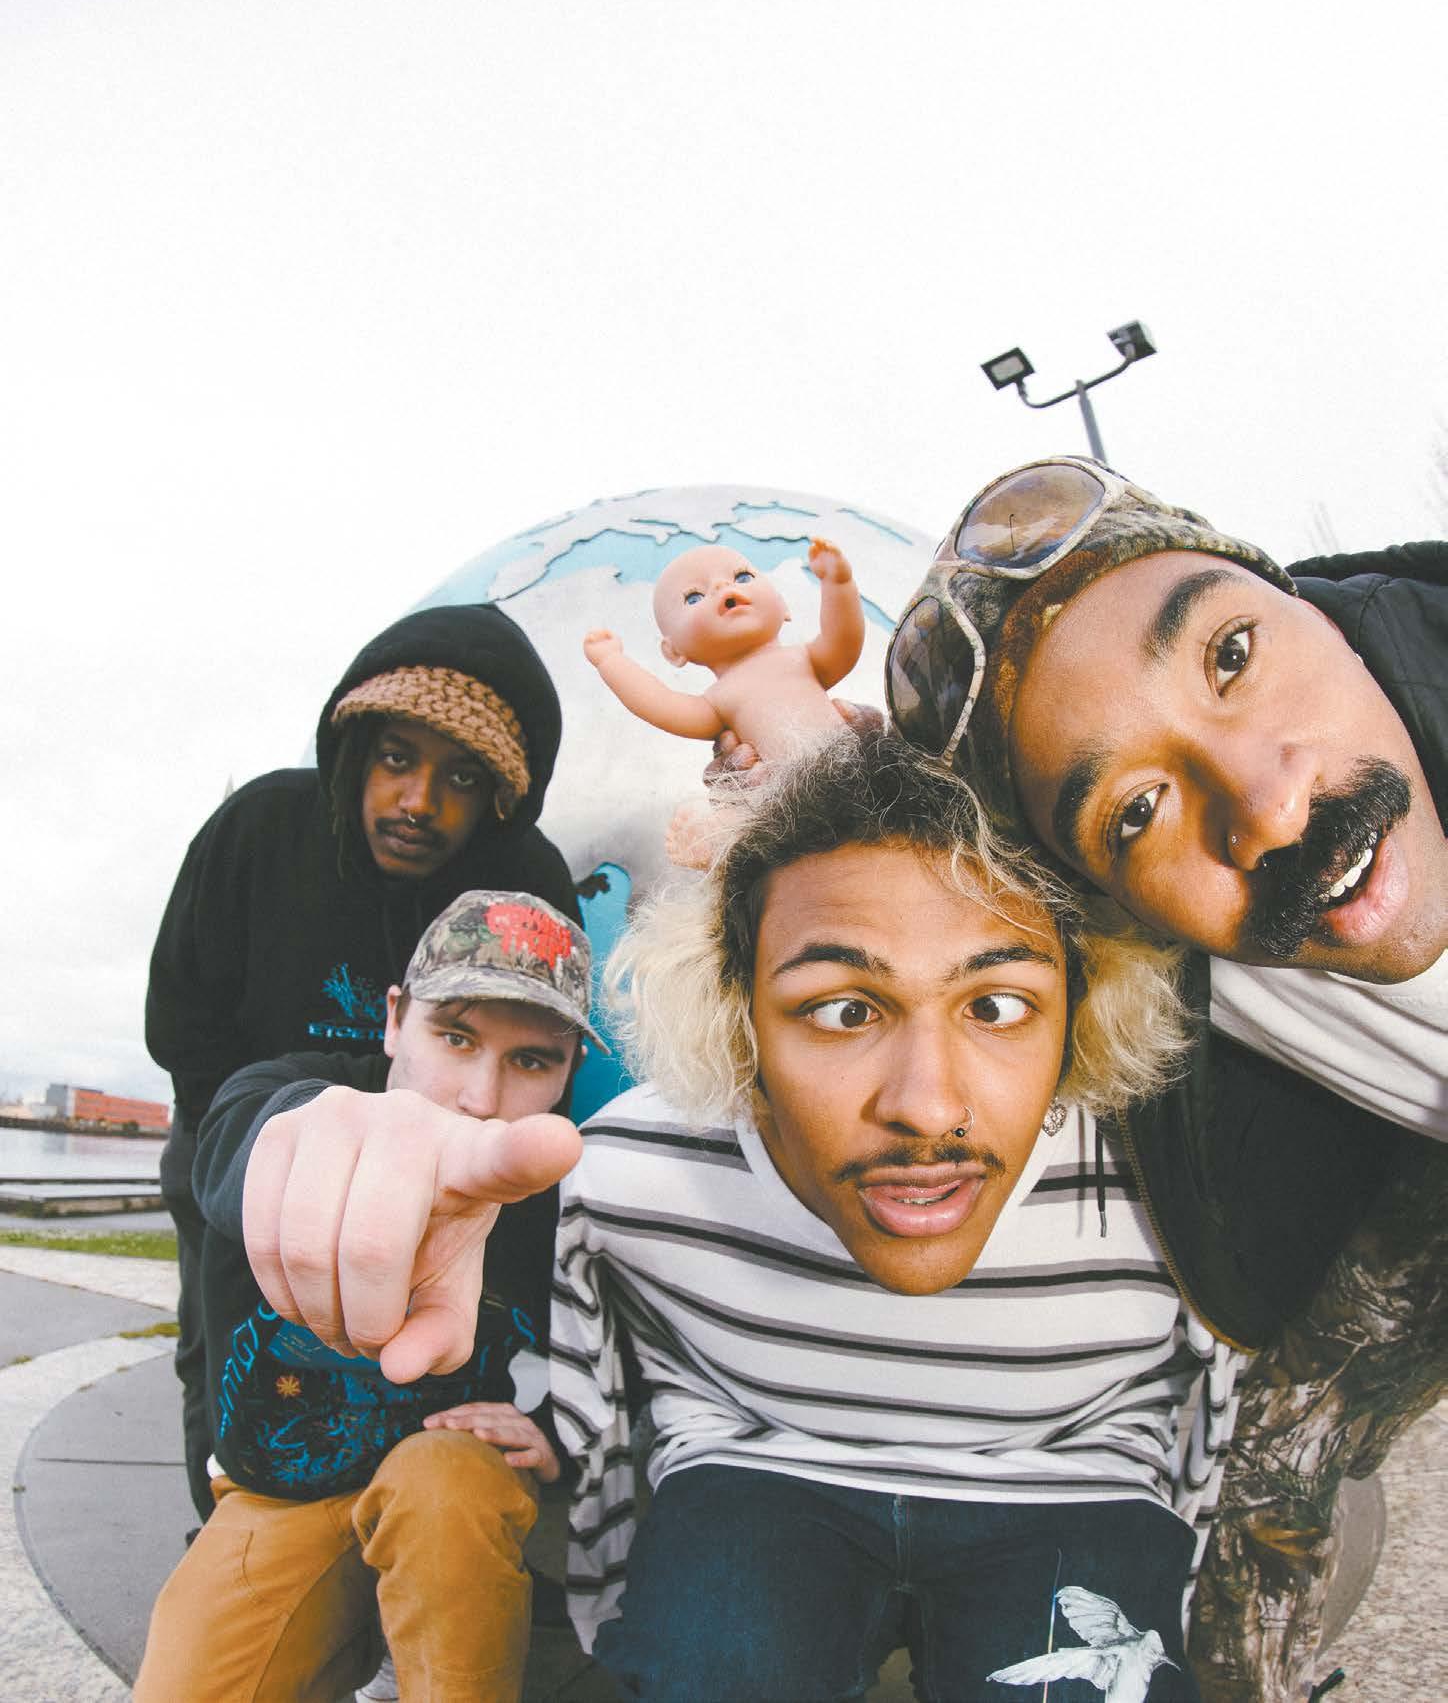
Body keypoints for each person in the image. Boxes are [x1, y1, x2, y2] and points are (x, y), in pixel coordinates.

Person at [884, 455, 1447, 1700]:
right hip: (1414, 1193)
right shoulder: (1148, 982)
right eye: (1135, 811)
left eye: (1231, 657)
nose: (1268, 806)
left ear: (1300, 600)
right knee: (1253, 1508)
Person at [543, 730, 1219, 1701]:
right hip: (753, 1468)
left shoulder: (1166, 1193)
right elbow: (595, 1426)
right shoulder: (630, 1173)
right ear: (739, 1013)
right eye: (842, 1010)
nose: (927, 1106)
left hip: (1075, 1478)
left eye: (995, 1006)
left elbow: (1211, 1433)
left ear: (1079, 1009)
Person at [147, 602, 577, 1522]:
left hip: (441, 1176)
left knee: (407, 1356)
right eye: (395, 759)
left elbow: (545, 1035)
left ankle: (388, 1544)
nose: (419, 800)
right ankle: (225, 1523)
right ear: (355, 751)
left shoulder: (527, 880)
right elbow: (182, 1009)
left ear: (501, 796)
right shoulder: (260, 826)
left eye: (462, 777)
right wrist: (252, 1131)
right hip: (239, 1141)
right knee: (219, 1360)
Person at [134, 889, 592, 1703]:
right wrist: (308, 1152)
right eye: (456, 1037)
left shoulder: (564, 1189)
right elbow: (237, 1144)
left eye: (531, 1061)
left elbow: (627, 1346)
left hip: (450, 1477)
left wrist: (559, 1433)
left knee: (445, 1493)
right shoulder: (286, 1092)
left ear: (568, 1075)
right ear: (393, 1019)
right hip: (279, 1489)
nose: (479, 1097)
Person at [583, 538, 865, 760]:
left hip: (860, 767)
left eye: (742, 577)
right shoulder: (718, 702)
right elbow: (659, 703)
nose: (721, 586)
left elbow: (843, 639)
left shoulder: (804, 659)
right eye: (694, 597)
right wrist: (611, 661)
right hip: (792, 802)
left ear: (783, 606)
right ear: (674, 651)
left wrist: (838, 584)